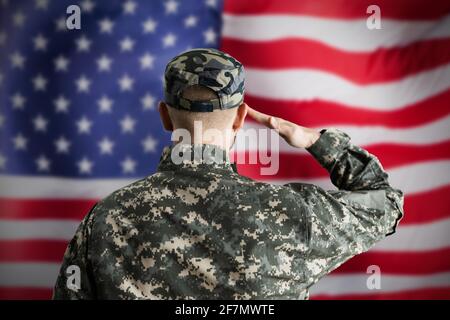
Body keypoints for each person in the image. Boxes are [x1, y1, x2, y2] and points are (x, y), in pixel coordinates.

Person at [53, 48, 404, 299]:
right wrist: (317, 141)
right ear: (239, 118)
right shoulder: (293, 213)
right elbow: (385, 200)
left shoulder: (106, 218)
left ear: (164, 115)